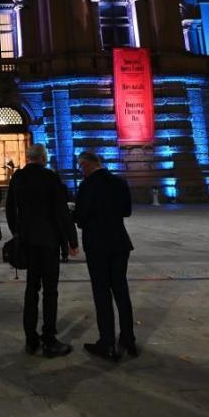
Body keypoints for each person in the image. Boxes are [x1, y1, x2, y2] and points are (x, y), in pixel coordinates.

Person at [6, 143, 79, 358]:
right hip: (48, 242)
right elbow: (61, 211)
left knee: (31, 289)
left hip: (28, 241)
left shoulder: (17, 178)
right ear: (44, 157)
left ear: (28, 157)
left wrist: (18, 232)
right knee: (50, 291)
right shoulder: (50, 177)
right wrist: (72, 241)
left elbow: (10, 209)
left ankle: (30, 338)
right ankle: (49, 338)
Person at [75, 150, 137, 361]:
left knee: (102, 294)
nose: (80, 170)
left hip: (97, 245)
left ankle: (107, 342)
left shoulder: (87, 185)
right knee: (121, 291)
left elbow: (81, 219)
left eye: (81, 166)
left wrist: (76, 214)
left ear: (89, 164)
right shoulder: (119, 182)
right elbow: (127, 211)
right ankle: (129, 339)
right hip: (119, 243)